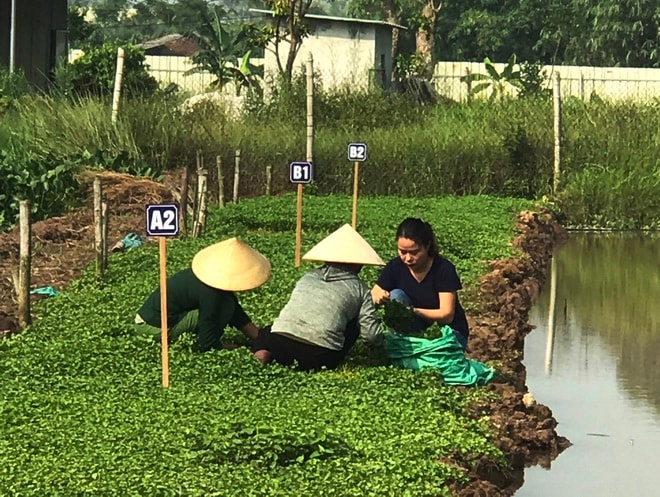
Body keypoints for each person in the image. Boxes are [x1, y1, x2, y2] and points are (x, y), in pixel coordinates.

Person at [252, 224, 385, 371]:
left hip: (279, 344)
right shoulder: (361, 290)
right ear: (359, 264)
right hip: (319, 356)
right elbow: (371, 335)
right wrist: (381, 347)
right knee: (355, 322)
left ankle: (263, 354)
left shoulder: (308, 276)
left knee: (266, 332)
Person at [134, 237, 271, 352]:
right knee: (224, 308)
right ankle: (211, 344)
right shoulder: (210, 293)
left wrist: (259, 337)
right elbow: (209, 319)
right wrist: (212, 347)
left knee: (228, 303)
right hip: (152, 327)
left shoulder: (211, 280)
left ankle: (255, 336)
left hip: (147, 320)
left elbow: (237, 312)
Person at [371, 217, 470, 350]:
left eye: (414, 252)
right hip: (413, 328)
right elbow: (373, 294)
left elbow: (446, 315)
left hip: (448, 332)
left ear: (427, 246)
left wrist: (412, 311)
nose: (407, 258)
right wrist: (379, 295)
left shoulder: (443, 269)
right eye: (402, 252)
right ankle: (404, 343)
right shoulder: (395, 267)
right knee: (396, 295)